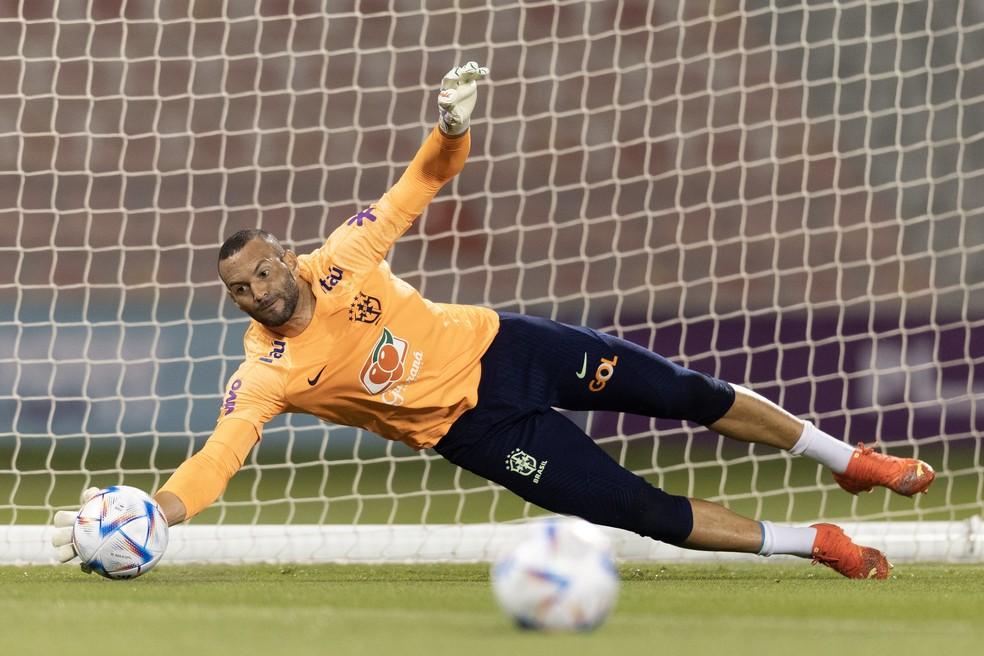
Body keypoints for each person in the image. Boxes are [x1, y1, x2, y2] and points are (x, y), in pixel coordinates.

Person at [53, 62, 934, 579]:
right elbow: (221, 455)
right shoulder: (266, 371)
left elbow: (421, 182)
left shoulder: (347, 253)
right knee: (637, 510)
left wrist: (450, 125)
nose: (259, 291)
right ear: (238, 303)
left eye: (263, 271)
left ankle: (849, 460)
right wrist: (162, 511)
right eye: (242, 290)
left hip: (510, 346)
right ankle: (814, 542)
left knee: (690, 392)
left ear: (285, 256)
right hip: (475, 431)